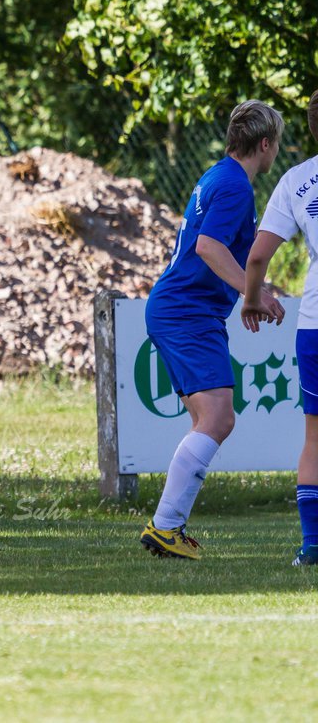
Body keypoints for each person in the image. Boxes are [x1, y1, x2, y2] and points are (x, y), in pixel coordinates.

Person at [140, 99, 284, 559]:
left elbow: (218, 250)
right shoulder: (237, 186)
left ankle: (170, 528)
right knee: (219, 418)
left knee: (208, 420)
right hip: (186, 312)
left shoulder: (217, 175)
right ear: (265, 144)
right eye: (276, 143)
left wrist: (249, 293)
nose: (276, 151)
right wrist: (252, 293)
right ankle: (164, 528)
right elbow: (208, 246)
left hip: (183, 309)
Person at [243, 92, 318, 565]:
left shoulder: (297, 180)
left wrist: (252, 299)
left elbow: (256, 256)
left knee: (315, 437)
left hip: (315, 324)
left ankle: (313, 545)